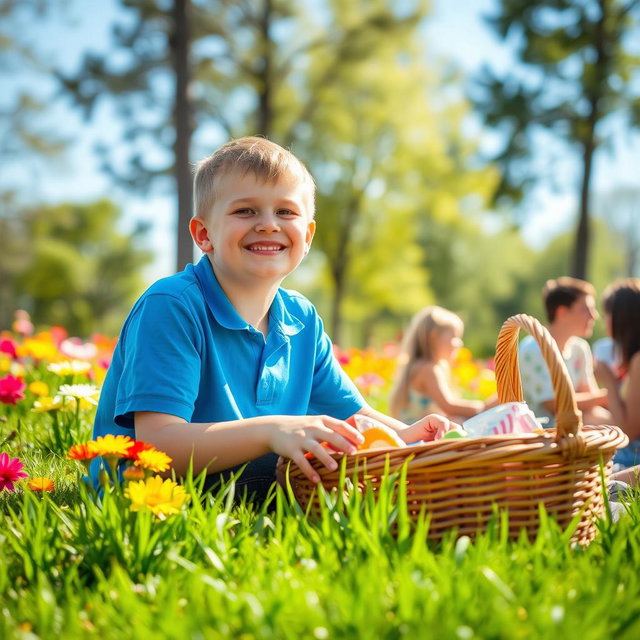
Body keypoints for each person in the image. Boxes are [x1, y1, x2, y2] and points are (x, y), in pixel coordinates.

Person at [91, 137, 453, 502]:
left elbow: (356, 418)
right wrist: (272, 431)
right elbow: (159, 447)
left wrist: (408, 435)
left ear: (307, 235)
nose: (267, 225)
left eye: (286, 212)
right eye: (245, 211)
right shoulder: (172, 306)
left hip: (255, 481)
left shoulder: (302, 319)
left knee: (341, 480)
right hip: (154, 498)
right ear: (204, 234)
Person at [518, 277, 611, 427]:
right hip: (540, 436)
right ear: (562, 312)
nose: (595, 316)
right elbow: (554, 404)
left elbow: (590, 400)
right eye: (586, 309)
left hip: (573, 429)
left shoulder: (580, 348)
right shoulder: (533, 348)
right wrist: (610, 395)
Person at [389, 306, 495, 423]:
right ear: (433, 337)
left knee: (456, 421)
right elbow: (449, 406)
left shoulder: (425, 367)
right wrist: (484, 407)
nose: (459, 343)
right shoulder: (428, 369)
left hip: (418, 430)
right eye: (455, 337)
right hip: (417, 433)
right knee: (458, 422)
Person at [594, 278, 640, 469]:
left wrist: (610, 383)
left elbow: (628, 433)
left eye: (608, 314)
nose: (604, 320)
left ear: (622, 317)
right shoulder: (632, 360)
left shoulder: (638, 360)